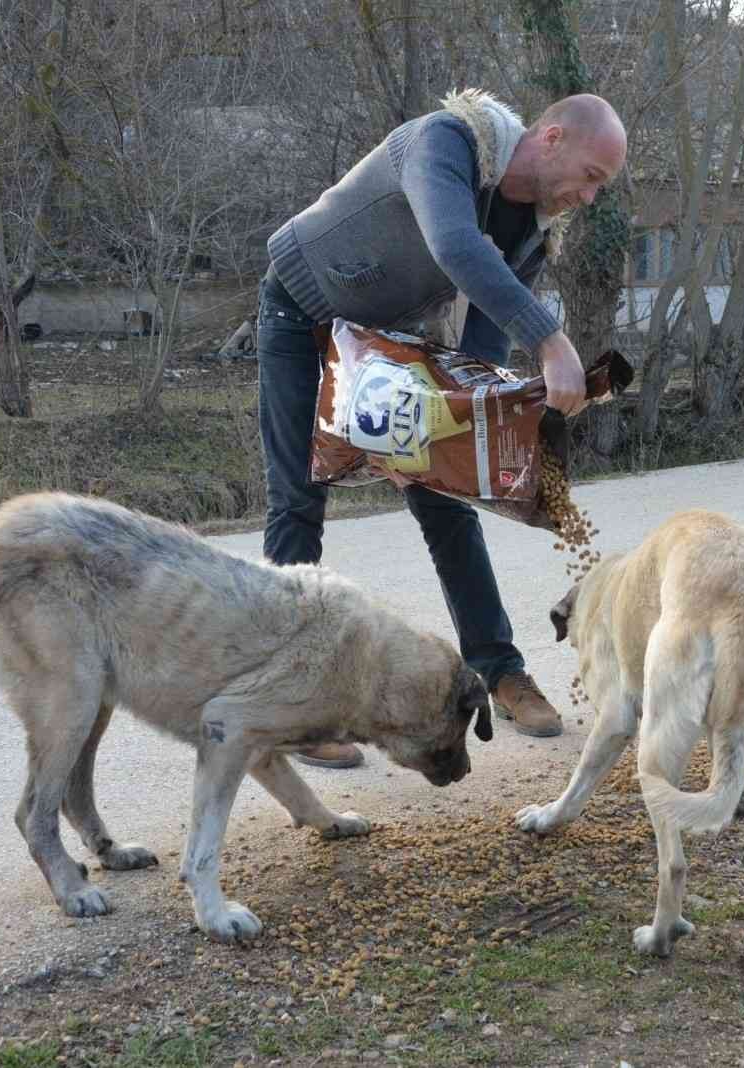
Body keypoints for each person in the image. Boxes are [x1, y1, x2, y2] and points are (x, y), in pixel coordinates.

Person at [257, 90, 627, 767]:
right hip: (301, 310)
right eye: (591, 176)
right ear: (551, 140)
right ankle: (294, 706)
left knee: (446, 494)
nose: (589, 197)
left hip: (391, 341)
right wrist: (551, 340)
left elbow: (479, 352)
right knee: (298, 494)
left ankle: (499, 668)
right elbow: (454, 245)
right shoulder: (445, 142)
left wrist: (480, 415)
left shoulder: (530, 228)